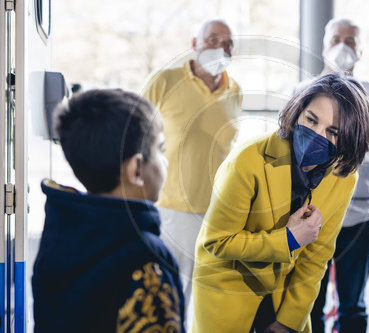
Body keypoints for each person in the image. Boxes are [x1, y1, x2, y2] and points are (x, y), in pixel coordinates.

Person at [192, 73, 369, 333]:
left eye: (332, 132)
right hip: (228, 291)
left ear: (348, 139)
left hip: (284, 297)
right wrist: (288, 239)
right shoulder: (246, 161)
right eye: (311, 119)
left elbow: (316, 258)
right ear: (298, 111)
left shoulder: (343, 178)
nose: (316, 134)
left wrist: (288, 322)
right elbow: (216, 242)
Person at [32, 89, 184, 333]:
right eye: (160, 150)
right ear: (136, 169)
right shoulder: (146, 257)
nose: (165, 161)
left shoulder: (61, 234)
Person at [141, 19, 241, 331]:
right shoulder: (164, 80)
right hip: (171, 208)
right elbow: (134, 135)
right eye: (212, 39)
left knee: (210, 298)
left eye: (227, 43)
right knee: (172, 295)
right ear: (195, 43)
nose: (220, 47)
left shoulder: (235, 91)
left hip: (218, 212)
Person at [309, 18, 369, 333]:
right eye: (336, 39)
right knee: (308, 300)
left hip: (358, 217)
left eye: (351, 41)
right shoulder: (303, 93)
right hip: (311, 215)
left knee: (353, 306)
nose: (343, 47)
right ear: (324, 46)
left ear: (360, 50)